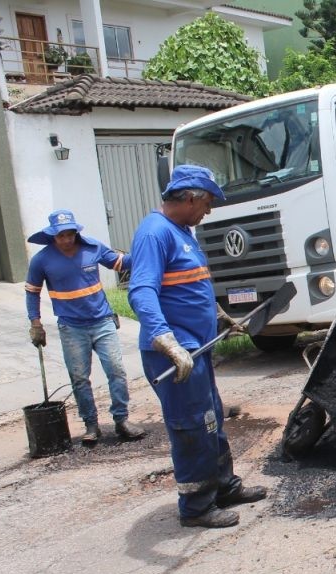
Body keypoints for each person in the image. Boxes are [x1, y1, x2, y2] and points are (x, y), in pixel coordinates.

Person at [128, 165, 265, 529]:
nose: (210, 211)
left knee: (212, 420)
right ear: (190, 198)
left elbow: (191, 285)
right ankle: (196, 507)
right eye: (207, 203)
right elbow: (142, 291)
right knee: (192, 427)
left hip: (197, 348)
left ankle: (224, 487)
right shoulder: (155, 234)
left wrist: (218, 314)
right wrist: (165, 339)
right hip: (175, 353)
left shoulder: (183, 232)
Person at [24, 209, 146, 445]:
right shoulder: (42, 260)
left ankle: (122, 420)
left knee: (116, 371)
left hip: (102, 322)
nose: (67, 239)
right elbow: (32, 292)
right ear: (52, 236)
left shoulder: (92, 248)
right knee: (79, 378)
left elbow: (120, 263)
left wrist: (145, 251)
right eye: (62, 236)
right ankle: (91, 425)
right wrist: (35, 323)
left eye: (71, 234)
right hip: (71, 327)